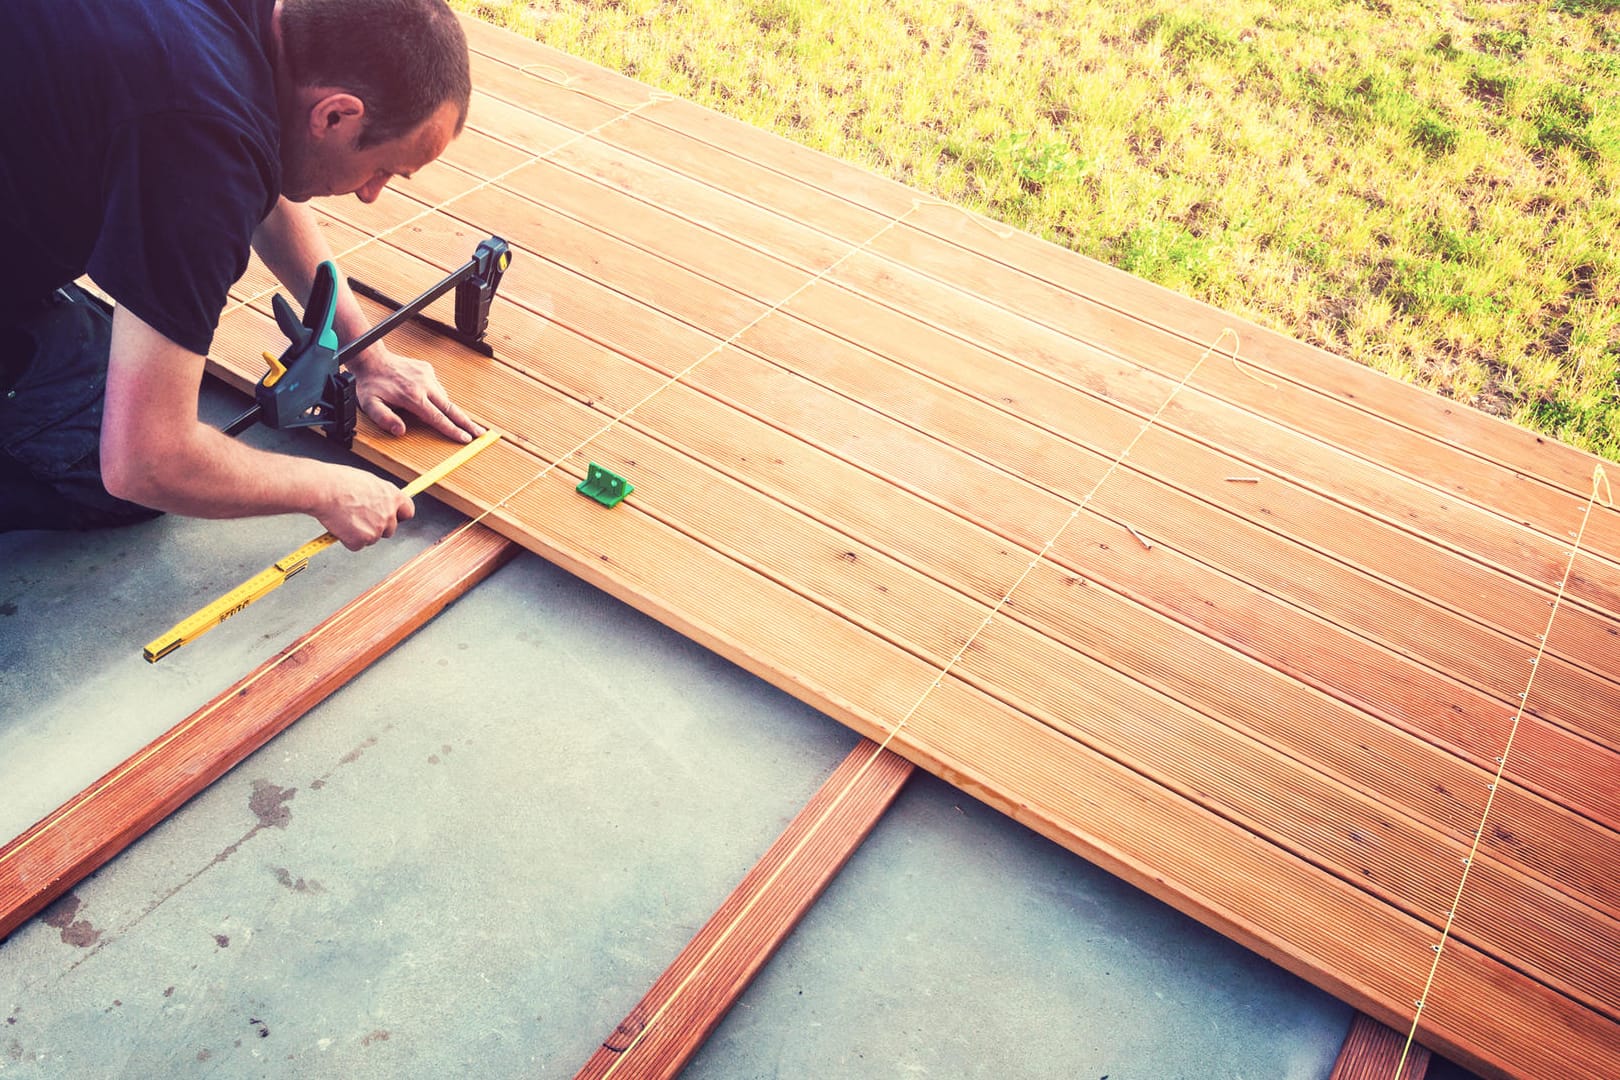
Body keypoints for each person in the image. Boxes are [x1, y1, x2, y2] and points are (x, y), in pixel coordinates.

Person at [0, 0, 484, 550]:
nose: (373, 194)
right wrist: (326, 489)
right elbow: (145, 460)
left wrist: (365, 353)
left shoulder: (253, 37)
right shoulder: (197, 142)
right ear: (333, 115)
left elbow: (259, 164)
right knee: (112, 464)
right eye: (382, 169)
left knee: (116, 361)